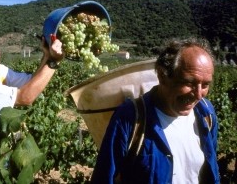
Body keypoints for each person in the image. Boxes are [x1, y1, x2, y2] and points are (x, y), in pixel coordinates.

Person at [91, 38, 220, 183]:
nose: (198, 94)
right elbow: (104, 177)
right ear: (162, 76)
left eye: (205, 85)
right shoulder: (130, 118)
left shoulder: (206, 113)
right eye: (189, 83)